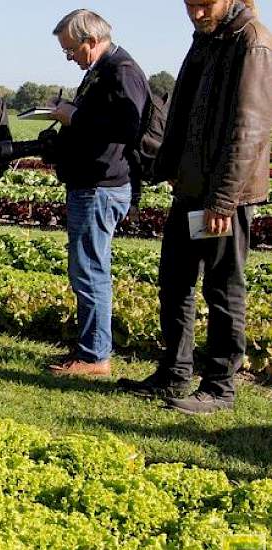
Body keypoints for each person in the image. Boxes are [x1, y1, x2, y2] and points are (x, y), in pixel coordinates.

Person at [119, 0, 272, 414]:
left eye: (205, 5)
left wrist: (224, 197)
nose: (196, 13)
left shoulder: (252, 42)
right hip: (190, 188)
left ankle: (220, 386)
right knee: (175, 281)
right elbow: (184, 110)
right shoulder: (208, 39)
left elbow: (250, 127)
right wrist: (169, 166)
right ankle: (173, 373)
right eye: (190, 4)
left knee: (222, 289)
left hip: (225, 195)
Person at [44, 10, 148, 378]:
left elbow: (128, 125)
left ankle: (94, 357)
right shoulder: (101, 71)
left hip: (101, 187)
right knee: (87, 269)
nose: (70, 56)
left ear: (91, 40)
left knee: (89, 271)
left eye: (71, 49)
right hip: (89, 184)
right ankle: (90, 347)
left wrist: (74, 117)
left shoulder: (121, 71)